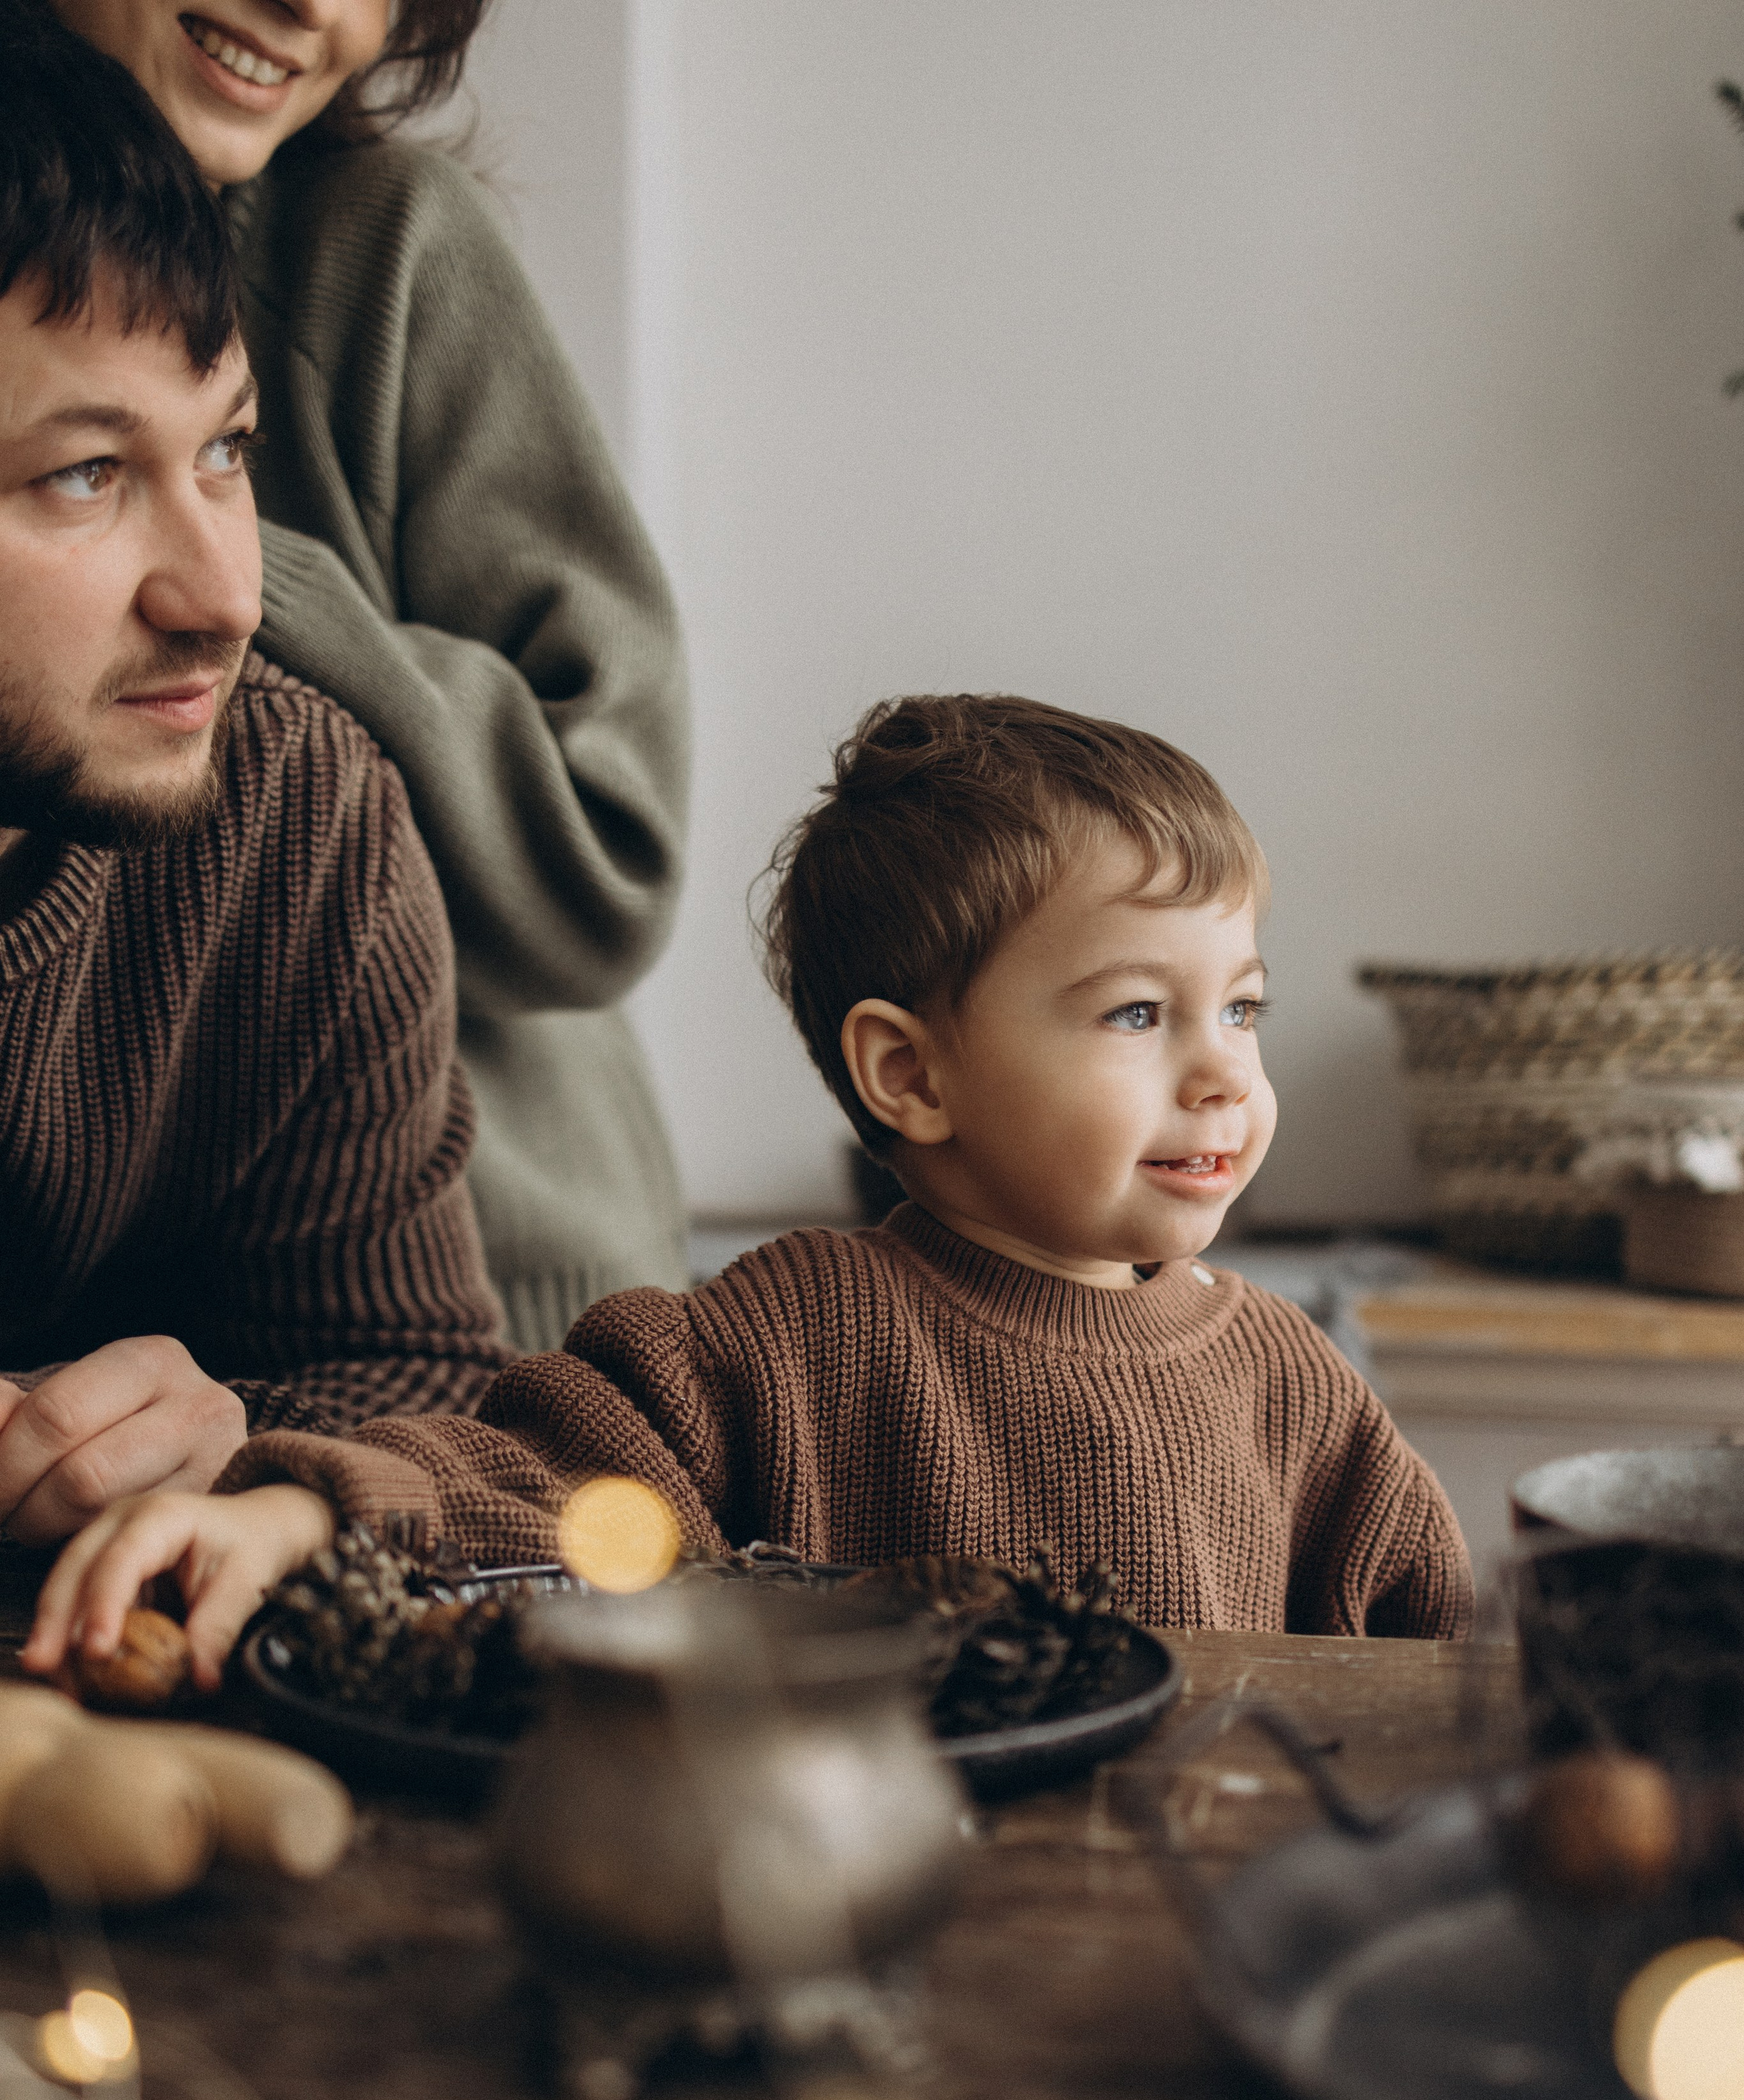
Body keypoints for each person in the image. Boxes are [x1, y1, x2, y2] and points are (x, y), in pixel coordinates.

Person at [28, 695, 1474, 1682]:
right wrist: (297, 1513)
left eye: (1242, 1008)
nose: (1222, 1073)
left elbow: (1446, 1685)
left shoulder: (1296, 1390)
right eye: (1136, 1016)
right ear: (908, 1075)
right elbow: (525, 1481)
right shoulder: (779, 1343)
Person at [44, 0, 691, 1350]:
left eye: (227, 444)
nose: (318, 8)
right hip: (146, 1337)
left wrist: (258, 581)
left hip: (501, 1306)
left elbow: (607, 863)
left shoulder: (381, 245)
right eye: (83, 468)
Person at [0, 12, 508, 1548]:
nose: (224, 594)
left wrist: (245, 1449)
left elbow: (418, 1378)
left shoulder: (299, 814)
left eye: (226, 452)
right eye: (83, 474)